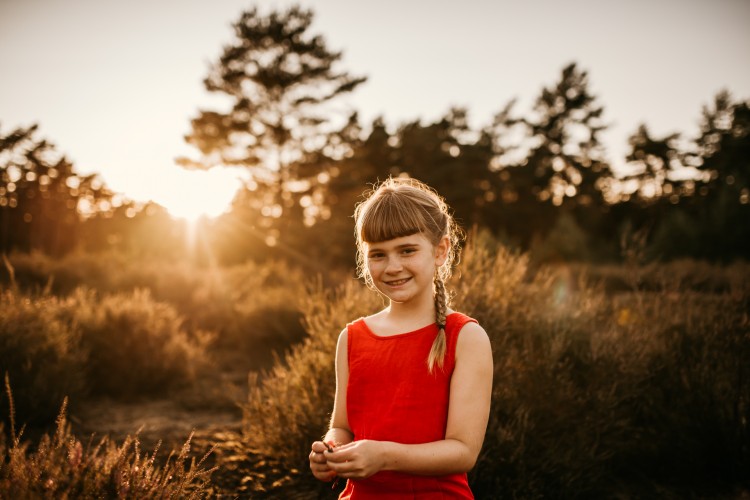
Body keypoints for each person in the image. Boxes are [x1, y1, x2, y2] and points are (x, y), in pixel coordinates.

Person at [308, 176, 493, 498]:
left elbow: (463, 451)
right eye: (378, 254)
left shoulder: (465, 337)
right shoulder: (351, 337)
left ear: (440, 250)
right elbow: (342, 425)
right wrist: (331, 449)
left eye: (407, 250)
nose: (393, 266)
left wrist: (384, 457)